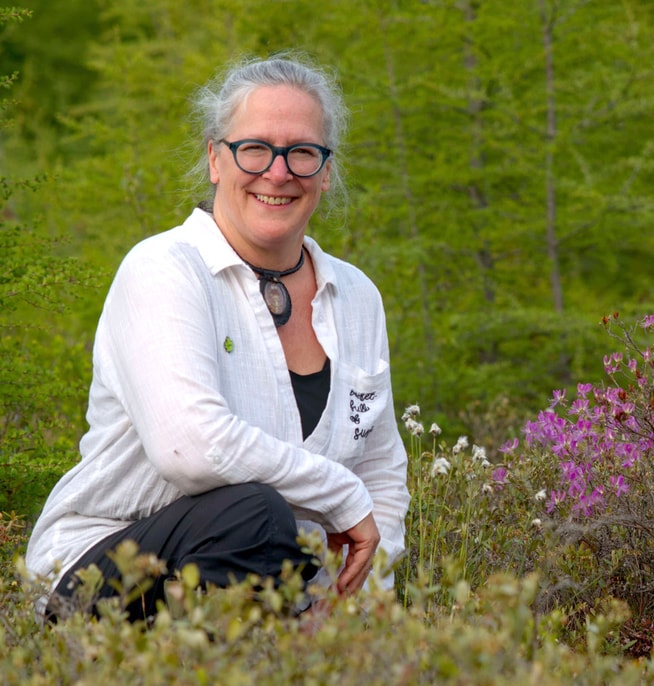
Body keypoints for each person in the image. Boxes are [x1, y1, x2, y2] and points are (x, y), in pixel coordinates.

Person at [24, 54, 410, 621]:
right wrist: (341, 496)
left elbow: (380, 470)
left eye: (302, 152)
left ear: (326, 170)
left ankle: (285, 642)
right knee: (253, 514)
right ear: (215, 158)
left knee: (262, 523)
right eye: (254, 148)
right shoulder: (163, 269)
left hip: (282, 587)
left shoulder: (357, 298)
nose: (277, 172)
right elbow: (191, 449)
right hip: (104, 568)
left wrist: (351, 611)